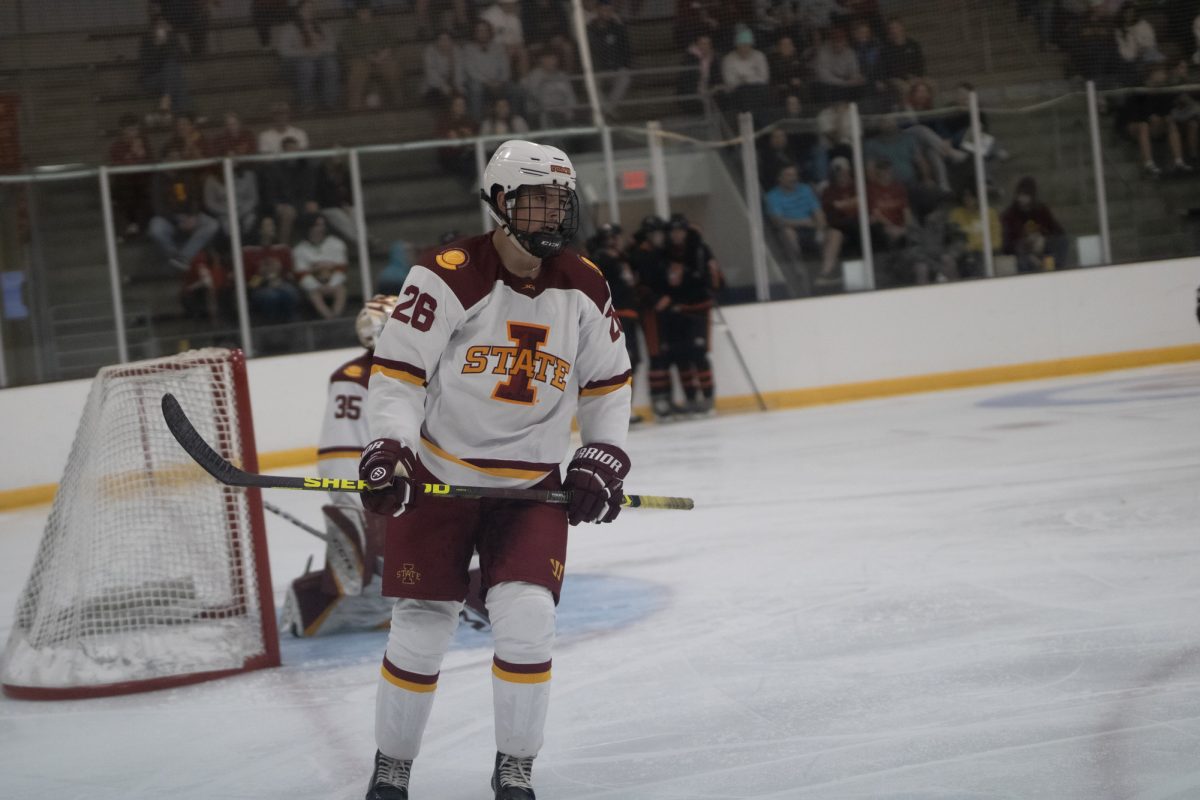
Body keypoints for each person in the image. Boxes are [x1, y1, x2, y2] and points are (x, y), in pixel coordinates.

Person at [359, 139, 632, 800]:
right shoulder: (447, 273)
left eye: (561, 200)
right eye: (540, 199)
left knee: (528, 617)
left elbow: (607, 385)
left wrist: (604, 454)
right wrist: (390, 447)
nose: (556, 214)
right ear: (502, 201)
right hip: (440, 479)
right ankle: (391, 774)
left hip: (530, 490)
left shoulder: (585, 282)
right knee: (422, 628)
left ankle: (515, 773)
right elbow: (397, 376)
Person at [280, 296, 404, 637]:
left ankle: (371, 607)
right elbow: (351, 441)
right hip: (359, 475)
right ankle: (307, 604)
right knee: (364, 559)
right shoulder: (362, 376)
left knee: (380, 556)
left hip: (367, 473)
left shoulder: (383, 373)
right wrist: (362, 489)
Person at [659, 213, 718, 415]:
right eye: (673, 231)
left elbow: (712, 278)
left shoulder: (700, 250)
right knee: (681, 355)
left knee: (699, 353)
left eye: (680, 231)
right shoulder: (665, 253)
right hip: (676, 312)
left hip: (698, 309)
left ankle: (708, 397)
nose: (677, 235)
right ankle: (691, 398)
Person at [587, 223, 643, 424]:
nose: (617, 241)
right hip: (616, 317)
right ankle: (616, 411)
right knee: (619, 364)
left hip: (628, 316)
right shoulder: (601, 260)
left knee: (631, 362)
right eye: (614, 237)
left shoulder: (620, 259)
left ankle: (626, 409)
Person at [765, 164, 843, 288]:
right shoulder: (772, 196)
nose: (793, 178)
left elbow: (817, 212)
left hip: (811, 228)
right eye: (789, 175)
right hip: (791, 228)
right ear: (779, 178)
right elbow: (777, 221)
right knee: (788, 233)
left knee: (835, 234)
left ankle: (825, 274)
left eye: (795, 175)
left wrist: (821, 227)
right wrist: (803, 222)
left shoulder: (805, 189)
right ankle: (800, 271)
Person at [148, 143, 220, 272]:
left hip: (190, 217)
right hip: (170, 220)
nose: (176, 160)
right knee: (155, 227)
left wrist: (192, 216)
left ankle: (184, 257)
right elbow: (158, 206)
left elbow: (195, 198)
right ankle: (174, 255)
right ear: (165, 159)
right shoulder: (158, 179)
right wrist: (177, 220)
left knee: (212, 224)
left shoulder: (187, 175)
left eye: (178, 157)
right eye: (172, 157)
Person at [277, 0, 341, 111]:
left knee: (331, 65)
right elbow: (284, 50)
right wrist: (305, 52)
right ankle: (306, 103)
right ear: (299, 11)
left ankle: (329, 103)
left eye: (312, 9)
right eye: (306, 9)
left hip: (319, 58)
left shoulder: (322, 26)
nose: (309, 11)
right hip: (295, 62)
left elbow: (332, 46)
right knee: (307, 66)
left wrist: (318, 50)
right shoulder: (290, 28)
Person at [343, 0, 404, 111]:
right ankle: (354, 108)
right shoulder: (350, 28)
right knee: (357, 72)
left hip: (382, 57)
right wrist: (367, 56)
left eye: (367, 11)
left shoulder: (380, 24)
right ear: (357, 13)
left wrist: (385, 53)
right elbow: (347, 47)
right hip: (361, 59)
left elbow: (393, 40)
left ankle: (398, 104)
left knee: (392, 69)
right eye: (361, 12)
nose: (364, 14)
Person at [1000, 176, 1069, 273]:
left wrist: (1043, 239)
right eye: (1020, 195)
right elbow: (1007, 245)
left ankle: (1058, 270)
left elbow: (1059, 231)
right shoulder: (1010, 215)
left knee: (1062, 242)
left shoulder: (1041, 210)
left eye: (1025, 195)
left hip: (1042, 249)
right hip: (1022, 253)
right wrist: (1025, 243)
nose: (1022, 199)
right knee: (1022, 254)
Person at [244, 216, 302, 325]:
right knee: (271, 296)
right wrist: (261, 276)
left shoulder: (282, 250)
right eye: (268, 225)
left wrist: (281, 274)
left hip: (280, 284)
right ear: (259, 229)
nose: (272, 228)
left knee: (290, 292)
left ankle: (292, 325)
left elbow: (289, 275)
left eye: (273, 225)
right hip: (260, 288)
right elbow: (249, 285)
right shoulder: (249, 252)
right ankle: (271, 327)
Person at [264, 135, 320, 245]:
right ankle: (283, 247)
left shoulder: (306, 167)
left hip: (301, 203)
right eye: (289, 149)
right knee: (289, 213)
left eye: (294, 148)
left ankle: (312, 246)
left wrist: (310, 201)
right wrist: (277, 205)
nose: (292, 152)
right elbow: (271, 192)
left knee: (313, 209)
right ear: (283, 151)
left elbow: (309, 190)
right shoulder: (275, 169)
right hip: (283, 205)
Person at [107, 114, 155, 239]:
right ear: (123, 131)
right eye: (130, 130)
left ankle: (146, 227)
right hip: (124, 183)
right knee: (126, 188)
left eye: (136, 130)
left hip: (143, 180)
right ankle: (130, 224)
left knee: (148, 191)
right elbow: (118, 168)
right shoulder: (116, 146)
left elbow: (151, 162)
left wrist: (142, 156)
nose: (134, 133)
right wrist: (132, 153)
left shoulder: (144, 143)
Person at [293, 214, 349, 319]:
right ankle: (328, 317)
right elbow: (301, 275)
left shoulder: (336, 244)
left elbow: (341, 270)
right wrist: (317, 286)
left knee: (341, 290)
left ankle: (336, 316)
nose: (321, 228)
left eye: (322, 225)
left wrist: (331, 284)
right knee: (313, 293)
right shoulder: (299, 250)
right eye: (317, 225)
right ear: (309, 227)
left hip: (334, 283)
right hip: (313, 286)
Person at [138, 15, 192, 121]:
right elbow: (146, 67)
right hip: (151, 79)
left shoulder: (171, 37)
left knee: (174, 69)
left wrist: (171, 38)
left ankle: (167, 105)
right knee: (176, 75)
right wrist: (157, 46)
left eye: (164, 25)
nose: (162, 28)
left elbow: (183, 55)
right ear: (153, 28)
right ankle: (183, 116)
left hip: (168, 78)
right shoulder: (146, 41)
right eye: (159, 26)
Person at [588, 0, 633, 118]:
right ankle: (608, 110)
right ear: (597, 10)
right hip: (598, 70)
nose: (606, 13)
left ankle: (606, 110)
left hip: (614, 68)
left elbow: (625, 49)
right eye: (603, 10)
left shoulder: (618, 27)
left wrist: (623, 65)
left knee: (625, 76)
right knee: (589, 82)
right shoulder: (589, 29)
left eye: (609, 10)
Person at [463, 19, 513, 121]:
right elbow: (471, 71)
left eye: (485, 30)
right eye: (479, 31)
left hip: (499, 82)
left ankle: (515, 121)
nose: (482, 33)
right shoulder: (468, 49)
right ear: (474, 33)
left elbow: (505, 67)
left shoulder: (498, 47)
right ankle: (476, 123)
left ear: (489, 32)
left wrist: (500, 81)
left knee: (517, 90)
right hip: (479, 82)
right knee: (475, 88)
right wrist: (488, 82)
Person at [946, 185, 1000, 280]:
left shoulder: (989, 213)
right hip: (962, 254)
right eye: (965, 196)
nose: (968, 199)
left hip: (983, 252)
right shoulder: (956, 214)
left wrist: (977, 247)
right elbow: (952, 237)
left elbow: (996, 240)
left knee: (979, 261)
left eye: (971, 196)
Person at [522, 50, 578, 129]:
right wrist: (552, 108)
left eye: (553, 58)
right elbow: (534, 96)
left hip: (563, 111)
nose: (551, 61)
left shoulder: (562, 75)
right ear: (541, 60)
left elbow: (570, 95)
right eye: (548, 59)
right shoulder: (535, 76)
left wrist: (571, 110)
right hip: (544, 111)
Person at [421, 31, 466, 108]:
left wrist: (459, 87)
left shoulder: (457, 51)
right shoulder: (430, 51)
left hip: (454, 85)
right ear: (437, 42)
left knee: (462, 95)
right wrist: (443, 86)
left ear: (452, 41)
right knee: (442, 98)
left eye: (447, 40)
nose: (445, 42)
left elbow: (460, 71)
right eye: (441, 40)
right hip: (433, 86)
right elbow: (431, 73)